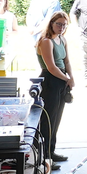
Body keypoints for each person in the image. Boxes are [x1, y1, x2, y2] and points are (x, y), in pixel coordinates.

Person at [35, 11, 74, 164]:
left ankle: (51, 151)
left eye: (64, 25)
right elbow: (51, 67)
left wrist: (71, 78)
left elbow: (67, 61)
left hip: (61, 79)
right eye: (58, 24)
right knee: (48, 119)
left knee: (56, 118)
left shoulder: (62, 39)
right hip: (50, 80)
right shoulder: (46, 41)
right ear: (51, 23)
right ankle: (43, 156)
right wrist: (66, 79)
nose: (61, 27)